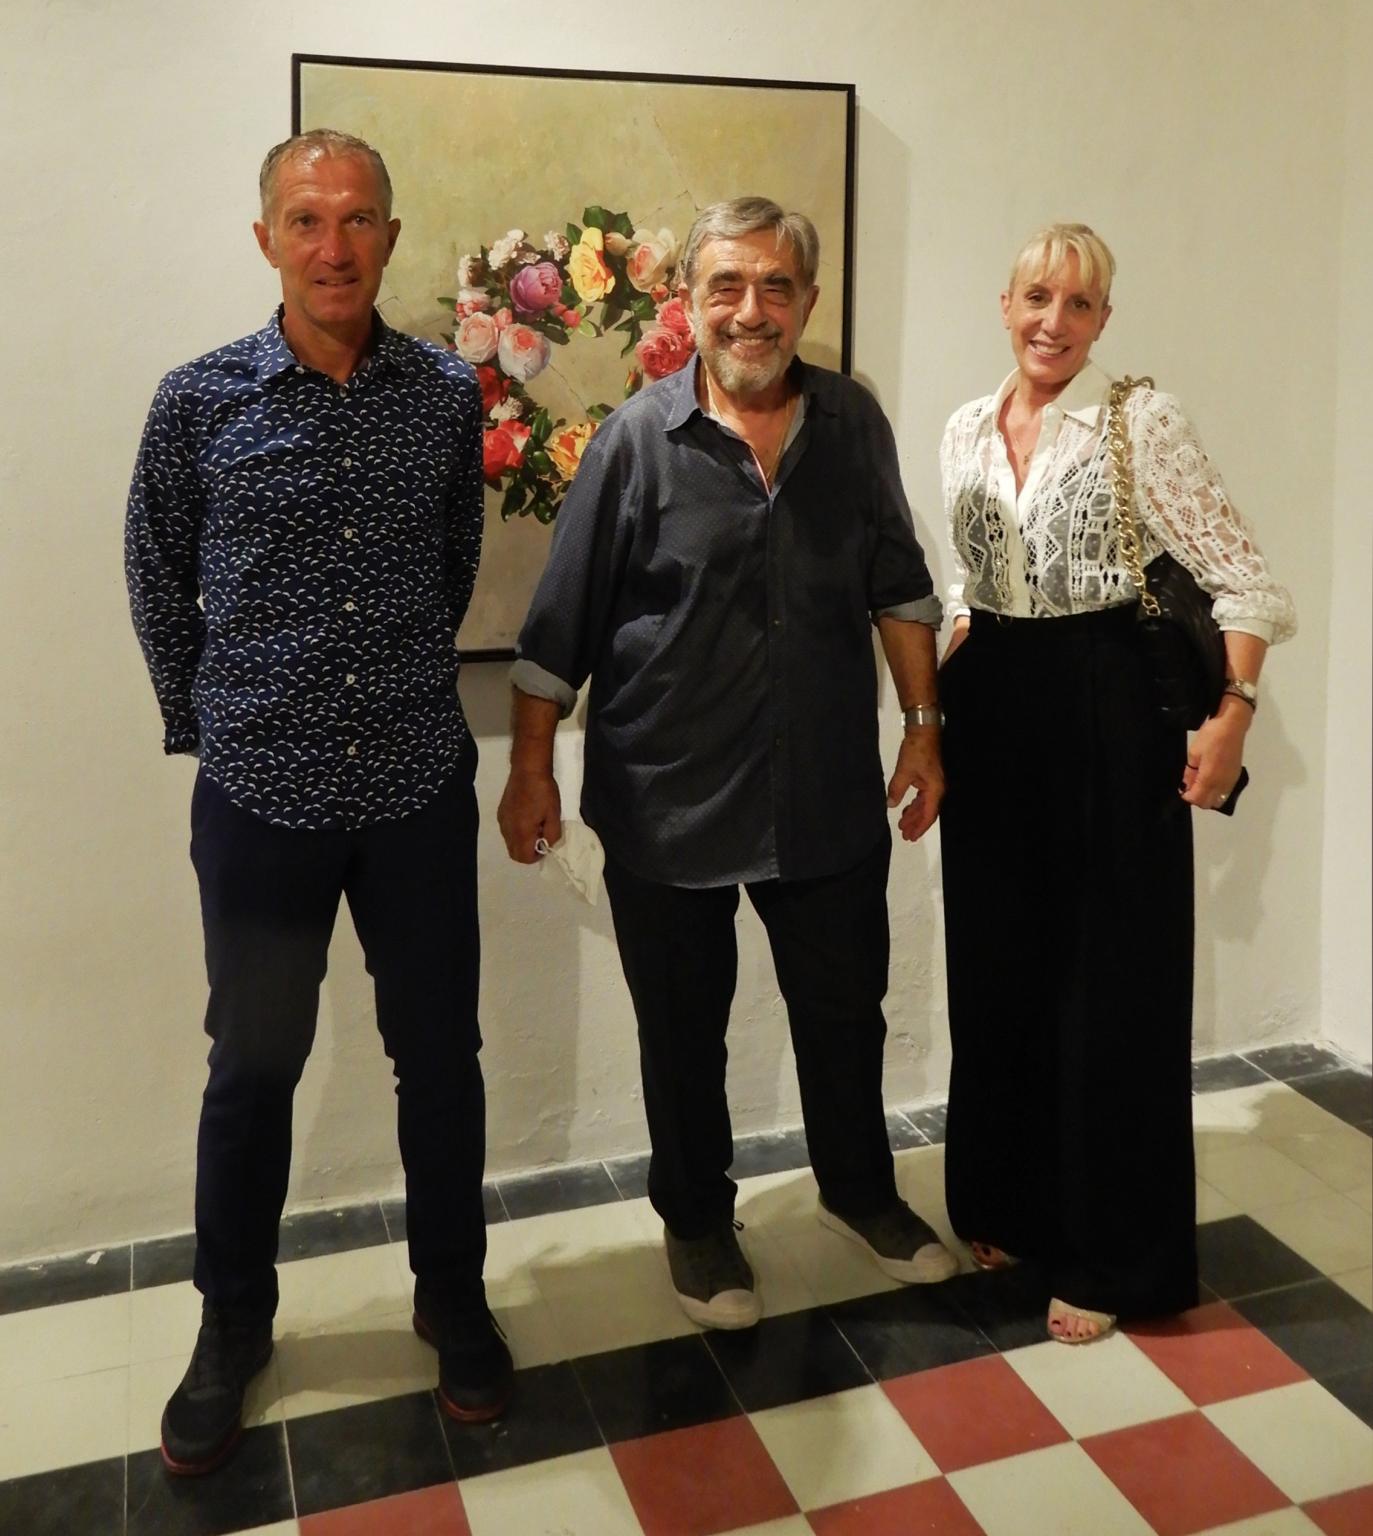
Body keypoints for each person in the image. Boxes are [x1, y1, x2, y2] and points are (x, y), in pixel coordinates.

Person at [498, 195, 957, 1330]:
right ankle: (698, 1221)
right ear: (689, 302)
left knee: (845, 1012)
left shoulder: (851, 423)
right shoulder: (634, 442)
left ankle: (859, 1193)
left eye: (775, 287)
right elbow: (557, 630)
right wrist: (530, 771)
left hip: (824, 793)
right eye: (727, 286)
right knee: (681, 1031)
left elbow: (899, 584)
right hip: (667, 798)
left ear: (805, 300)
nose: (751, 310)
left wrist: (921, 726)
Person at [125, 129, 510, 1476]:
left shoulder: (445, 393)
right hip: (261, 797)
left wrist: (387, 681)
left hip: (413, 785)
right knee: (253, 1068)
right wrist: (217, 722)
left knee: (440, 1057)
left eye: (356, 220)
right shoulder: (199, 399)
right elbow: (156, 576)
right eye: (306, 218)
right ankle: (232, 1323)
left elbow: (453, 555)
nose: (332, 245)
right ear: (266, 239)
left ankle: (451, 1296)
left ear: (390, 238)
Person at [937, 222, 1296, 1343]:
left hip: (1105, 704)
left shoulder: (1141, 421)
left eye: (1079, 304)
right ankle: (1009, 1202)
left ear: (1103, 320)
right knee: (998, 963)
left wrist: (1231, 713)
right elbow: (963, 577)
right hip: (990, 704)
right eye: (1036, 297)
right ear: (1004, 304)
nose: (1053, 321)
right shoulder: (962, 425)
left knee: (1111, 979)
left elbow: (1245, 580)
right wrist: (938, 698)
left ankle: (1111, 1252)